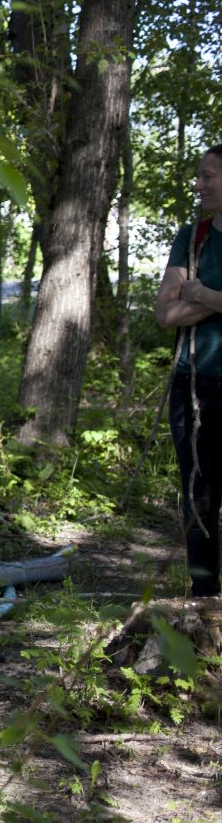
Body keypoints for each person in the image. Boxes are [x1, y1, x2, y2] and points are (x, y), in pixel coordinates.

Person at [156, 145, 222, 599]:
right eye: (199, 176)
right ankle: (204, 600)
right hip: (194, 384)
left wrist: (199, 293)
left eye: (209, 176)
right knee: (199, 494)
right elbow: (165, 313)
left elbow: (184, 302)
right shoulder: (192, 236)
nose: (198, 184)